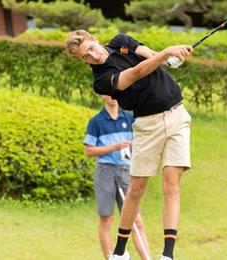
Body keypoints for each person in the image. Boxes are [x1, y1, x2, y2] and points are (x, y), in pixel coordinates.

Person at [65, 30, 193, 260]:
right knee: (136, 189)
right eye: (86, 57)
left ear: (94, 39)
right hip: (146, 125)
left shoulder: (121, 42)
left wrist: (173, 56)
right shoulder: (102, 80)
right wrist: (166, 52)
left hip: (177, 115)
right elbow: (135, 73)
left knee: (171, 183)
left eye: (92, 48)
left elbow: (151, 57)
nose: (94, 56)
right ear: (82, 61)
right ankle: (120, 251)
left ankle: (168, 255)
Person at [84, 95, 151, 260]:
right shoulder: (96, 121)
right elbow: (89, 150)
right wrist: (113, 147)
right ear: (102, 95)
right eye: (108, 93)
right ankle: (110, 258)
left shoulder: (128, 119)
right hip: (105, 171)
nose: (112, 97)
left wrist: (135, 146)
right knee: (107, 218)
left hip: (126, 171)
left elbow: (141, 141)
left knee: (136, 220)